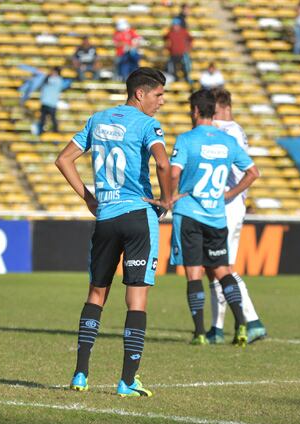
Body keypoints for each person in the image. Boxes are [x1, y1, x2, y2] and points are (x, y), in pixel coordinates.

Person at [55, 67, 175, 397]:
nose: (161, 102)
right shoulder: (148, 125)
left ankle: (80, 374)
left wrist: (89, 198)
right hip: (138, 215)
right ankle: (127, 380)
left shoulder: (98, 120)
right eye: (158, 95)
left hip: (106, 217)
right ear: (140, 93)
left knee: (96, 294)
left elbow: (64, 159)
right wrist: (165, 199)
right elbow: (163, 164)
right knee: (136, 299)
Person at [169, 89, 260, 346]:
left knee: (194, 273)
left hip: (190, 213)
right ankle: (241, 324)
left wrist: (168, 196)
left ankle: (200, 332)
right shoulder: (227, 141)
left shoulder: (187, 139)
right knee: (222, 270)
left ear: (196, 111)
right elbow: (253, 172)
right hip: (217, 215)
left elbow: (174, 172)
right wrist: (230, 193)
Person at [202, 88, 267, 345]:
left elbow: (247, 169)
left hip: (229, 207)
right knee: (213, 267)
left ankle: (252, 321)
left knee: (224, 267)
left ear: (223, 108)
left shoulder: (229, 131)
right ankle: (217, 327)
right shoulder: (230, 130)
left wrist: (231, 194)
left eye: (213, 111)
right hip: (220, 207)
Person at [164, 18, 194, 84]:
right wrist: (168, 48)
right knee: (172, 68)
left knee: (185, 67)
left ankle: (187, 79)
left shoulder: (184, 32)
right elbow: (165, 38)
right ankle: (175, 80)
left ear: (179, 25)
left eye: (176, 25)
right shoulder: (170, 32)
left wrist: (188, 48)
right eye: (174, 25)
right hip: (173, 54)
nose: (175, 27)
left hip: (182, 54)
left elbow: (191, 39)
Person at [37, 67, 63, 135]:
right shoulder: (52, 79)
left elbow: (47, 80)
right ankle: (41, 132)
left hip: (51, 103)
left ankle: (55, 131)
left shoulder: (57, 80)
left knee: (53, 118)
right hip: (45, 101)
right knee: (42, 119)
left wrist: (44, 74)